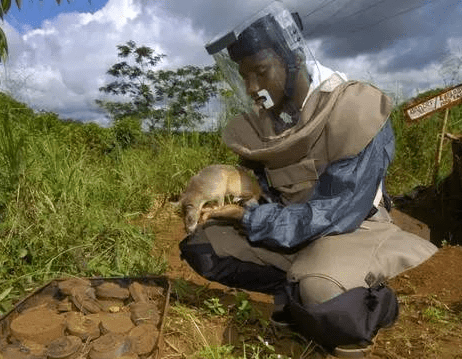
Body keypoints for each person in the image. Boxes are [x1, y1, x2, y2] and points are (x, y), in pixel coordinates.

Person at [179, 2, 438, 357]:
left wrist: (249, 217)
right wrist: (236, 192)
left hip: (351, 229)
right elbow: (267, 191)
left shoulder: (355, 110)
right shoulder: (269, 121)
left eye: (261, 71)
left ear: (293, 61)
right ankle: (295, 290)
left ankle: (372, 303)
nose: (253, 86)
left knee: (322, 295)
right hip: (290, 228)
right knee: (203, 246)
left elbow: (337, 213)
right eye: (245, 77)